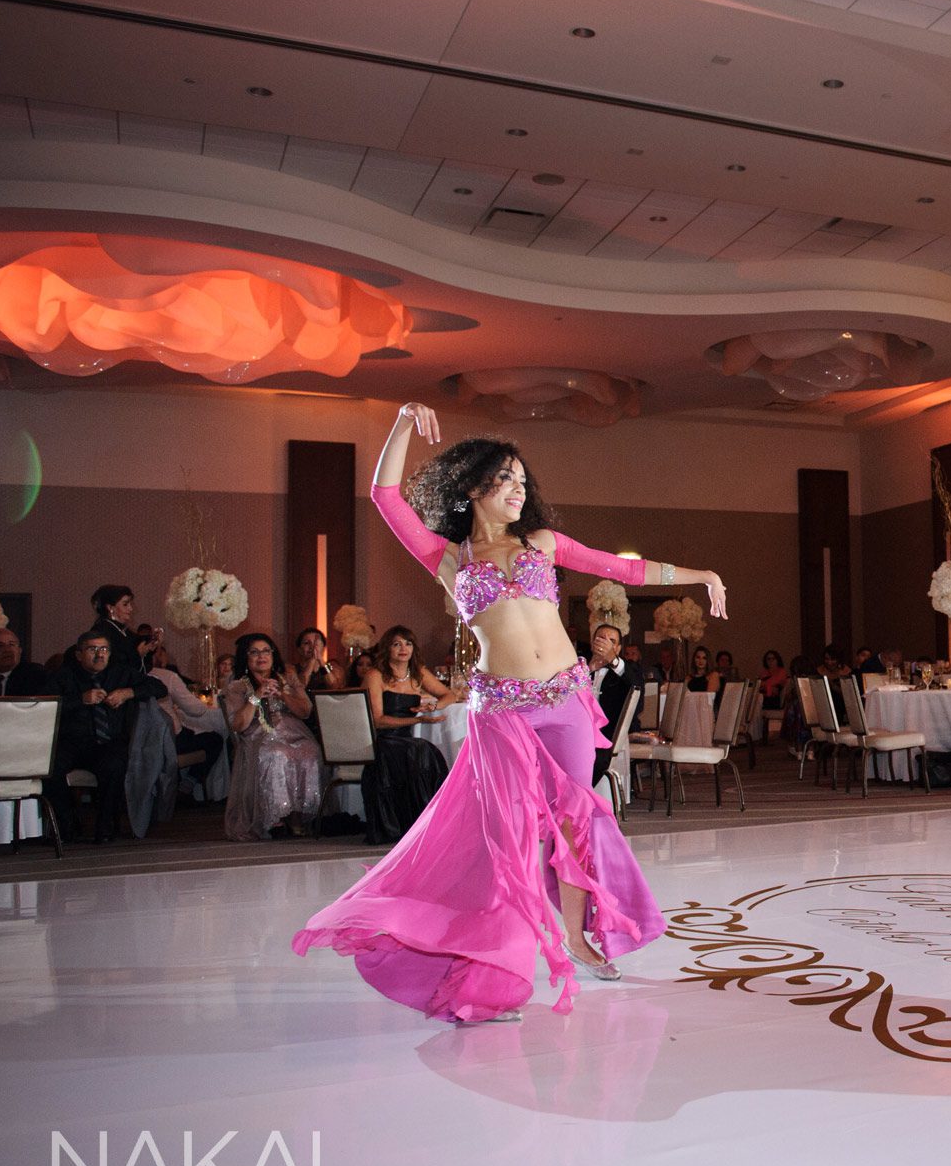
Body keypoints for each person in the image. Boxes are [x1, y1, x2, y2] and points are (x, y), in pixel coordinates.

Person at [294, 401, 725, 1025]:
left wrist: (699, 573)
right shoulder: (448, 558)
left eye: (525, 482)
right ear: (474, 489)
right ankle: (493, 968)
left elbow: (623, 568)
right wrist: (399, 424)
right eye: (508, 481)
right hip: (503, 715)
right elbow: (384, 494)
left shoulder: (544, 544)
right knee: (510, 840)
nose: (521, 492)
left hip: (568, 702)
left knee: (576, 825)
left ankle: (577, 940)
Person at [51, 630, 166, 842]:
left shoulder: (120, 673)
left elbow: (159, 687)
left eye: (104, 649)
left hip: (108, 742)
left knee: (114, 765)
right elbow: (49, 706)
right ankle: (66, 824)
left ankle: (105, 826)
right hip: (72, 742)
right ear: (79, 654)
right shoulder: (65, 676)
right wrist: (80, 699)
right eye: (92, 649)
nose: (99, 654)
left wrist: (127, 693)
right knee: (50, 766)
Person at [221, 632, 322, 842]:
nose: (261, 656)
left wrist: (283, 695)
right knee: (275, 754)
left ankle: (300, 817)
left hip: (293, 732)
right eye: (254, 652)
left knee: (310, 752)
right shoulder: (237, 686)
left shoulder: (287, 678)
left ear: (273, 654)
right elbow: (239, 725)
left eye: (266, 651)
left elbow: (305, 711)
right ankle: (275, 818)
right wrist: (256, 696)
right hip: (259, 734)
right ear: (245, 657)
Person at [360, 625, 456, 843]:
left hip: (406, 741)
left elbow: (448, 695)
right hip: (383, 741)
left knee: (423, 749)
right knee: (422, 748)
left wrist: (433, 706)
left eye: (408, 643)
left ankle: (431, 823)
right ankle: (419, 823)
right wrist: (419, 719)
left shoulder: (418, 672)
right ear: (387, 649)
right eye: (397, 644)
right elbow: (377, 720)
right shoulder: (376, 675)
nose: (403, 648)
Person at [146, 640, 225, 787]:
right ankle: (189, 783)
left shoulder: (125, 676)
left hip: (141, 742)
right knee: (215, 739)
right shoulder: (167, 676)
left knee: (189, 731)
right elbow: (196, 710)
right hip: (170, 739)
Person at [586, 622, 639, 784]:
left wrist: (613, 660)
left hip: (606, 736)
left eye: (612, 641)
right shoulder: (580, 667)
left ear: (618, 649)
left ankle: (580, 796)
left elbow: (636, 688)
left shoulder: (626, 670)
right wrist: (588, 670)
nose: (606, 644)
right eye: (601, 639)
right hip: (579, 731)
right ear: (592, 643)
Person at [87, 584, 142, 674]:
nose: (131, 609)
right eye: (125, 604)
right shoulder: (101, 632)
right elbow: (112, 666)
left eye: (130, 604)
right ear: (110, 608)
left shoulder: (124, 631)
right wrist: (139, 654)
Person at [294, 627, 347, 691]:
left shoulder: (333, 668)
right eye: (307, 643)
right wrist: (312, 660)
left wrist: (320, 660)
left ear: (324, 648)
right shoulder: (292, 669)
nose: (312, 647)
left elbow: (334, 686)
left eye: (316, 643)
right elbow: (300, 686)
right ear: (299, 649)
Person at [757, 650, 789, 716]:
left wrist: (766, 687)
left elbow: (777, 688)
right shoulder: (764, 673)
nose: (771, 661)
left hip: (775, 699)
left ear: (777, 660)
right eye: (768, 659)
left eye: (773, 658)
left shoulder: (781, 671)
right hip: (763, 697)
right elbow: (760, 686)